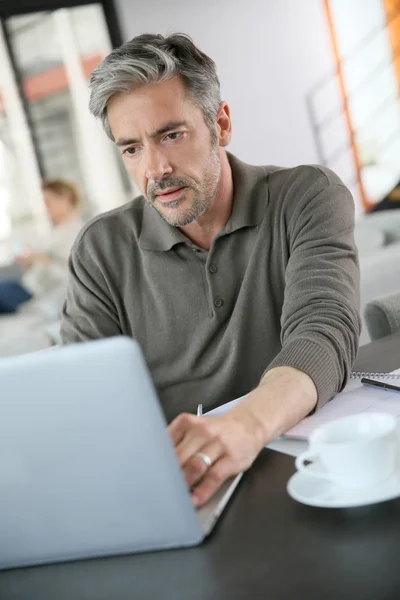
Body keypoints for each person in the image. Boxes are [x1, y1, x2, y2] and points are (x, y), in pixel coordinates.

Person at [60, 34, 361, 508]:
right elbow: (80, 399)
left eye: (171, 135)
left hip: (297, 468)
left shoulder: (306, 197)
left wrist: (241, 428)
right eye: (131, 148)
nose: (155, 168)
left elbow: (323, 334)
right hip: (178, 491)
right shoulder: (101, 250)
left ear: (220, 124)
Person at [0, 179, 84, 314]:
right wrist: (29, 262)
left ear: (65, 199)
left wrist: (40, 259)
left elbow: (69, 277)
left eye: (48, 201)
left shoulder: (76, 233)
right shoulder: (56, 231)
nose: (45, 207)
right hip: (27, 286)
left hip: (35, 294)